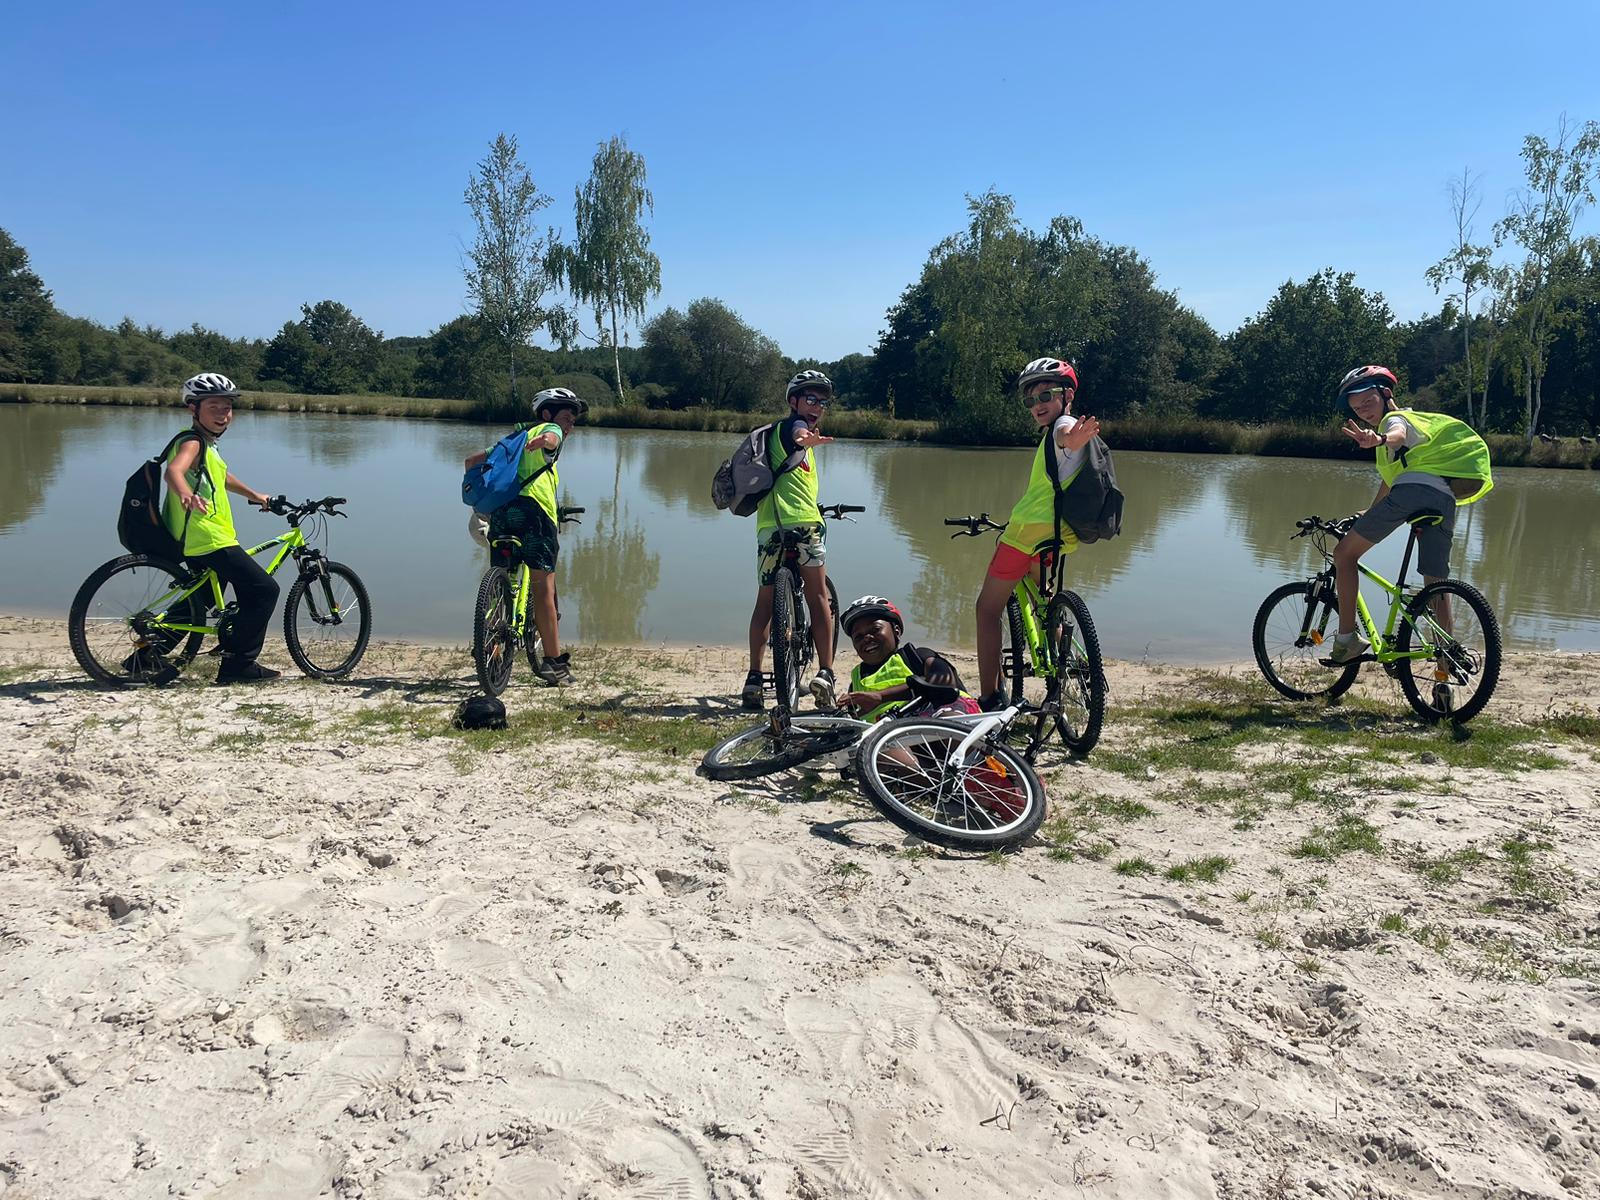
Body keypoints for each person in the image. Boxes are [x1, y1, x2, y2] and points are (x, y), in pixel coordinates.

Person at [1328, 365, 1494, 664]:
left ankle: (1346, 639)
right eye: (1356, 408)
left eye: (1367, 401)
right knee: (1436, 582)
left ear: (1385, 393)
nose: (1363, 410)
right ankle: (1446, 662)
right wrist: (1366, 513)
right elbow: (1390, 485)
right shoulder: (1416, 434)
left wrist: (1380, 439)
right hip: (1442, 500)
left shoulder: (1395, 420)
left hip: (1412, 494)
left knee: (1344, 555)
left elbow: (1397, 434)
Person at [972, 357, 1101, 708]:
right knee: (1043, 603)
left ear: (1068, 395)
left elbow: (1065, 436)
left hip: (1026, 533)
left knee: (987, 609)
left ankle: (989, 698)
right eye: (1030, 400)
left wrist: (1072, 438)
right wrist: (1073, 440)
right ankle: (1068, 662)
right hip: (1060, 534)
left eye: (1046, 395)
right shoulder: (1059, 433)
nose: (1037, 405)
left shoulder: (1064, 425)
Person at [162, 373, 281, 684]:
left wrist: (255, 495)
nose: (222, 414)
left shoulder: (206, 445)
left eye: (227, 407)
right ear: (193, 409)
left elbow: (222, 478)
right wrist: (185, 494)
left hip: (197, 538)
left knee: (201, 600)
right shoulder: (192, 442)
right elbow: (173, 471)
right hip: (209, 538)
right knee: (264, 590)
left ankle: (146, 654)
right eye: (213, 406)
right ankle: (239, 665)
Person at [463, 387, 587, 686]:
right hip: (535, 515)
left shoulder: (513, 440)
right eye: (567, 418)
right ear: (547, 413)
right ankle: (554, 664)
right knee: (543, 586)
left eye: (572, 422)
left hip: (502, 513)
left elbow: (470, 462)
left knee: (502, 581)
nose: (569, 426)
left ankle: (490, 646)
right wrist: (549, 440)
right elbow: (553, 437)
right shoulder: (548, 429)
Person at [741, 370, 837, 710]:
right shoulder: (791, 427)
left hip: (771, 528)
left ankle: (754, 679)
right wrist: (805, 439)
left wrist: (807, 442)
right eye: (810, 399)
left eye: (822, 402)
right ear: (793, 401)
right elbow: (798, 432)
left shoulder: (776, 438)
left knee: (765, 603)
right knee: (819, 597)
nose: (817, 407)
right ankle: (826, 673)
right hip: (807, 526)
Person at [834, 595, 981, 721]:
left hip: (944, 716)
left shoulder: (916, 657)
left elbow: (944, 682)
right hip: (894, 735)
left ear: (896, 631)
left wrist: (880, 697)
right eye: (858, 637)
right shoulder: (856, 681)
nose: (866, 638)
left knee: (945, 719)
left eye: (875, 629)